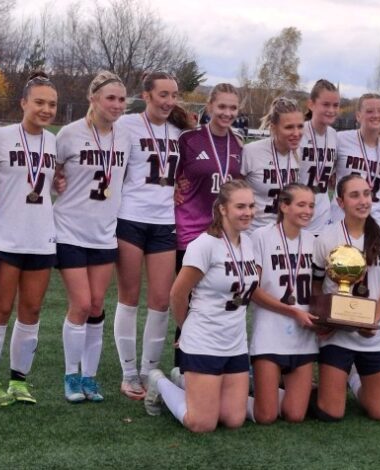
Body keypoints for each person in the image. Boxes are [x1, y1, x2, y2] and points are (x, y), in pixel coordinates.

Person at [144, 180, 259, 433]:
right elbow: (177, 293)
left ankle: (184, 381)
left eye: (251, 206)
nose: (248, 212)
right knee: (202, 423)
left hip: (236, 343)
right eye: (240, 206)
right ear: (223, 209)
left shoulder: (249, 244)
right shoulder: (204, 245)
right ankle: (160, 383)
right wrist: (186, 328)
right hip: (204, 341)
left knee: (233, 419)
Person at [0, 72, 59, 405]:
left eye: (51, 104)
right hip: (7, 237)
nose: (46, 109)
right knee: (0, 309)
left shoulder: (56, 142)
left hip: (42, 238)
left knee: (32, 310)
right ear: (24, 102)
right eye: (39, 102)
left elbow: (59, 178)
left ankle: (19, 381)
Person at [114, 72, 193, 400]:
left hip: (164, 221)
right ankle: (129, 372)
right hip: (130, 218)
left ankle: (149, 369)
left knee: (161, 301)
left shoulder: (181, 132)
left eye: (173, 95)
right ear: (146, 95)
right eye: (162, 94)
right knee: (128, 298)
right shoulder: (126, 125)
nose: (168, 101)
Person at [54, 71, 130, 403]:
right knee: (81, 304)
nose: (116, 105)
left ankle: (90, 377)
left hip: (104, 233)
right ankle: (71, 375)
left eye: (121, 99)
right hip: (69, 229)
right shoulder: (69, 135)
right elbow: (48, 171)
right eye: (110, 98)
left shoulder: (125, 137)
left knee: (97, 305)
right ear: (93, 99)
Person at [311, 174, 380, 421]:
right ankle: (339, 377)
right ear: (340, 203)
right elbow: (316, 287)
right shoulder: (327, 237)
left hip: (375, 332)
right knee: (331, 413)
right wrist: (326, 321)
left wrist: (372, 320)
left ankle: (352, 379)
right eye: (354, 195)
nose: (363, 200)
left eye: (366, 193)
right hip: (338, 336)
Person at [172, 83, 244, 371]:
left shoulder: (239, 143)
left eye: (233, 108)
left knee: (218, 299)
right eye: (222, 106)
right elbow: (170, 178)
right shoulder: (188, 140)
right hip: (191, 233)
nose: (227, 113)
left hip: (224, 237)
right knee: (190, 301)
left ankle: (216, 362)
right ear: (210, 106)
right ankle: (182, 367)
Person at [248, 183, 318, 423]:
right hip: (270, 333)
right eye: (301, 204)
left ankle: (263, 391)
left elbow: (320, 289)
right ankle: (182, 381)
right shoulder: (261, 236)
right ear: (284, 206)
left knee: (295, 415)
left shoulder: (313, 241)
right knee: (266, 417)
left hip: (303, 336)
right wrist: (292, 311)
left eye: (311, 205)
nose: (308, 210)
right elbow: (253, 289)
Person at [240, 97, 302, 234]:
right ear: (274, 128)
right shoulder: (251, 152)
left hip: (286, 236)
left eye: (300, 126)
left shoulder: (301, 153)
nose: (296, 133)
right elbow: (233, 193)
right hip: (253, 236)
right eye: (289, 127)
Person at [332, 93, 380, 224]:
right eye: (369, 111)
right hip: (341, 217)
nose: (376, 115)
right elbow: (327, 175)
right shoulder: (340, 139)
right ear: (358, 115)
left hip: (375, 218)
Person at [299, 79, 340, 235]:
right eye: (325, 104)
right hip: (298, 219)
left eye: (335, 105)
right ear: (311, 104)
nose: (331, 110)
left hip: (323, 220)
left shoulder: (334, 136)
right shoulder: (298, 133)